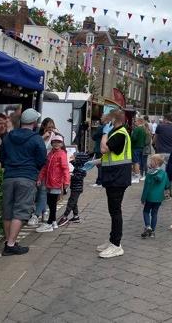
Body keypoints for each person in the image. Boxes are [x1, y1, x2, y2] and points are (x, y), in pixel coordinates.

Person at [0, 108, 47, 255]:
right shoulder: (36, 138)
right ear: (34, 122)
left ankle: (8, 242)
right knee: (20, 211)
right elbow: (42, 159)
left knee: (8, 211)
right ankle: (12, 244)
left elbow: (2, 157)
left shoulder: (8, 136)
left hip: (9, 176)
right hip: (27, 177)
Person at [96, 109, 132, 259]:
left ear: (113, 119)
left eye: (108, 119)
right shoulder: (118, 132)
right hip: (115, 176)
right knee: (113, 210)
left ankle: (116, 245)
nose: (106, 122)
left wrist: (105, 133)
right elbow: (112, 154)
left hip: (117, 177)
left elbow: (104, 149)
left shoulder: (119, 134)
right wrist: (97, 162)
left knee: (115, 210)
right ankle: (112, 240)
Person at [36, 134, 71, 233]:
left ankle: (50, 223)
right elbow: (45, 167)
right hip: (48, 182)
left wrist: (66, 181)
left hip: (56, 182)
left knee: (52, 203)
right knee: (50, 202)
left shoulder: (62, 154)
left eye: (58, 142)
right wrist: (40, 178)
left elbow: (65, 169)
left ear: (62, 144)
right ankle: (54, 222)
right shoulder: (50, 154)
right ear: (51, 143)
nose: (56, 144)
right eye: (54, 142)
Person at [140, 154, 170, 238]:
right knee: (155, 213)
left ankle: (148, 226)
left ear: (156, 163)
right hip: (159, 198)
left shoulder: (150, 174)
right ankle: (152, 231)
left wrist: (143, 198)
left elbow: (146, 188)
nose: (150, 162)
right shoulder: (164, 173)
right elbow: (167, 185)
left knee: (146, 211)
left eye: (151, 161)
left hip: (149, 197)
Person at [57, 152, 89, 226]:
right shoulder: (79, 165)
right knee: (74, 202)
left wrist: (71, 175)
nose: (72, 157)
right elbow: (75, 165)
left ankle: (65, 217)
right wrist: (71, 161)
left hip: (77, 189)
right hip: (75, 187)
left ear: (79, 159)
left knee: (71, 202)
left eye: (74, 156)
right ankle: (76, 216)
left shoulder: (82, 168)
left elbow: (78, 177)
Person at [91, 114, 110, 187]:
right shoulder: (110, 127)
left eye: (102, 117)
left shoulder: (100, 127)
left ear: (105, 119)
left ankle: (99, 181)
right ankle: (103, 180)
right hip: (106, 148)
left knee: (99, 165)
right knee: (103, 165)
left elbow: (94, 137)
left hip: (99, 148)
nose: (100, 118)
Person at [131, 117, 147, 183]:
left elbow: (133, 138)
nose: (135, 122)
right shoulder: (144, 129)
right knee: (139, 161)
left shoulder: (137, 129)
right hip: (141, 147)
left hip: (136, 147)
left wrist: (131, 136)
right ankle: (138, 175)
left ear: (139, 122)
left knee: (136, 162)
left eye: (135, 121)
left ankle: (136, 177)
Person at [141, 115, 153, 182]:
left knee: (144, 161)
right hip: (146, 148)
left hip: (146, 149)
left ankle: (145, 174)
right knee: (143, 161)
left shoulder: (147, 133)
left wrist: (142, 143)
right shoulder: (147, 132)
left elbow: (147, 142)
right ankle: (143, 174)